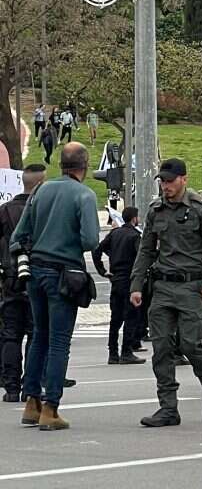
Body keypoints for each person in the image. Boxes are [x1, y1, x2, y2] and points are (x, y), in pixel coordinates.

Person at [10, 144, 100, 430]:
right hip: (64, 273)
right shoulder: (84, 195)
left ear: (61, 164)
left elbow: (19, 233)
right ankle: (51, 407)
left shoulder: (40, 190)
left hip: (35, 271)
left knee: (39, 336)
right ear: (84, 165)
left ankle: (31, 402)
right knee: (59, 341)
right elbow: (90, 240)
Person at [128, 159, 202, 427]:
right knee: (160, 348)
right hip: (162, 287)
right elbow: (146, 249)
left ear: (184, 179)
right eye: (162, 181)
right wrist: (136, 285)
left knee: (191, 345)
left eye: (170, 181)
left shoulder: (200, 208)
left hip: (192, 287)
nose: (165, 186)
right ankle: (168, 407)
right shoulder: (156, 210)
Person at [0, 164, 45, 403]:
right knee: (35, 333)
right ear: (40, 184)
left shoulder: (5, 210)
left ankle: (11, 387)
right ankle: (31, 386)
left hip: (10, 279)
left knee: (11, 335)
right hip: (37, 277)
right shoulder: (42, 211)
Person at [92, 206, 146, 365]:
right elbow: (140, 258)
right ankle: (126, 351)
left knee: (115, 318)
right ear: (134, 218)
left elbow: (97, 251)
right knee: (131, 316)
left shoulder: (114, 234)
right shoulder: (135, 236)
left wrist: (102, 270)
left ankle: (113, 352)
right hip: (130, 279)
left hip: (116, 279)